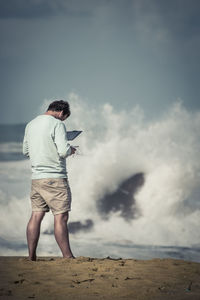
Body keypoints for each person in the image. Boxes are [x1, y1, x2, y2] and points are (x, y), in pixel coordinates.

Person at [23, 100, 76, 261]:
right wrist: (70, 149)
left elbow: (26, 151)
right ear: (61, 113)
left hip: (37, 178)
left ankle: (31, 255)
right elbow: (62, 151)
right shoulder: (57, 124)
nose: (62, 121)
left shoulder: (30, 125)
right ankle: (67, 256)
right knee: (61, 217)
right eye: (64, 118)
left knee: (36, 215)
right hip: (55, 178)